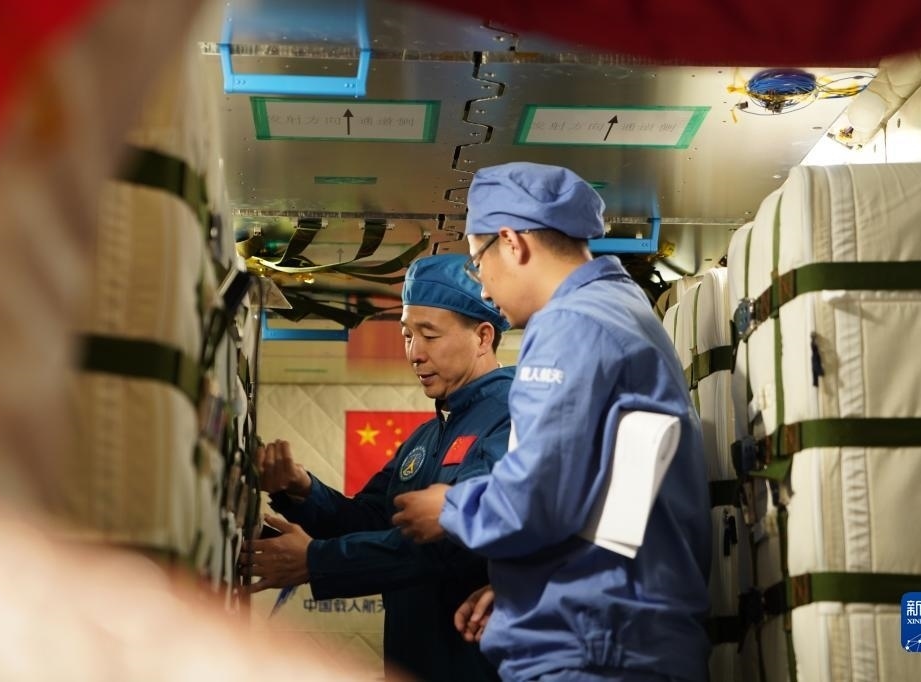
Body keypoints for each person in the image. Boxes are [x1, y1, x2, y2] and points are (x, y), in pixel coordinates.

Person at [392, 162, 712, 682]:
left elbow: (542, 495)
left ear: (511, 243)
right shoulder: (622, 308)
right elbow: (606, 492)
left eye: (477, 262)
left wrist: (450, 509)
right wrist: (526, 589)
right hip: (619, 633)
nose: (484, 289)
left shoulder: (570, 322)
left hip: (597, 651)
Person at [245, 253, 513, 682]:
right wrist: (301, 491)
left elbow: (455, 541)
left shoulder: (512, 417)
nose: (414, 353)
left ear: (483, 336)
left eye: (429, 335)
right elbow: (370, 519)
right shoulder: (426, 436)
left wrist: (316, 561)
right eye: (407, 335)